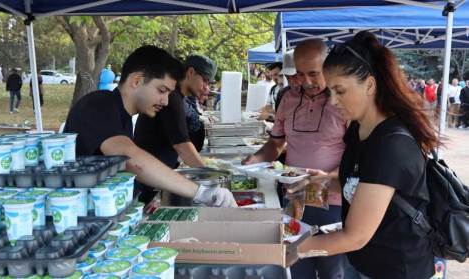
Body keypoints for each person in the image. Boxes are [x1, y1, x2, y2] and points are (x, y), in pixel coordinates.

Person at [295, 31, 436, 279]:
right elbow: (361, 183)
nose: (333, 101)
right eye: (331, 92)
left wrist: (287, 248)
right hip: (363, 264)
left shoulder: (390, 145)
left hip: (398, 270)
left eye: (340, 91)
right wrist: (326, 180)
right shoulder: (358, 130)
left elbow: (355, 236)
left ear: (370, 85)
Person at [64, 45, 236, 207]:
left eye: (169, 93)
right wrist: (200, 191)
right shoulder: (98, 104)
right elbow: (131, 158)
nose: (166, 101)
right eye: (161, 91)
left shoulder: (122, 115)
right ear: (137, 80)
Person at [243, 39, 348, 279]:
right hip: (293, 199)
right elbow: (276, 143)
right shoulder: (288, 98)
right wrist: (257, 158)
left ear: (328, 68)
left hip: (333, 203)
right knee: (295, 264)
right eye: (300, 74)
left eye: (314, 74)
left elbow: (359, 158)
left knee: (333, 270)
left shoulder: (343, 100)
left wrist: (328, 179)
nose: (307, 82)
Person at [133, 54, 210, 203]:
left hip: (156, 172)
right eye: (204, 80)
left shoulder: (177, 98)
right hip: (149, 179)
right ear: (191, 72)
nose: (206, 87)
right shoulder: (173, 99)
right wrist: (210, 178)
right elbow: (182, 145)